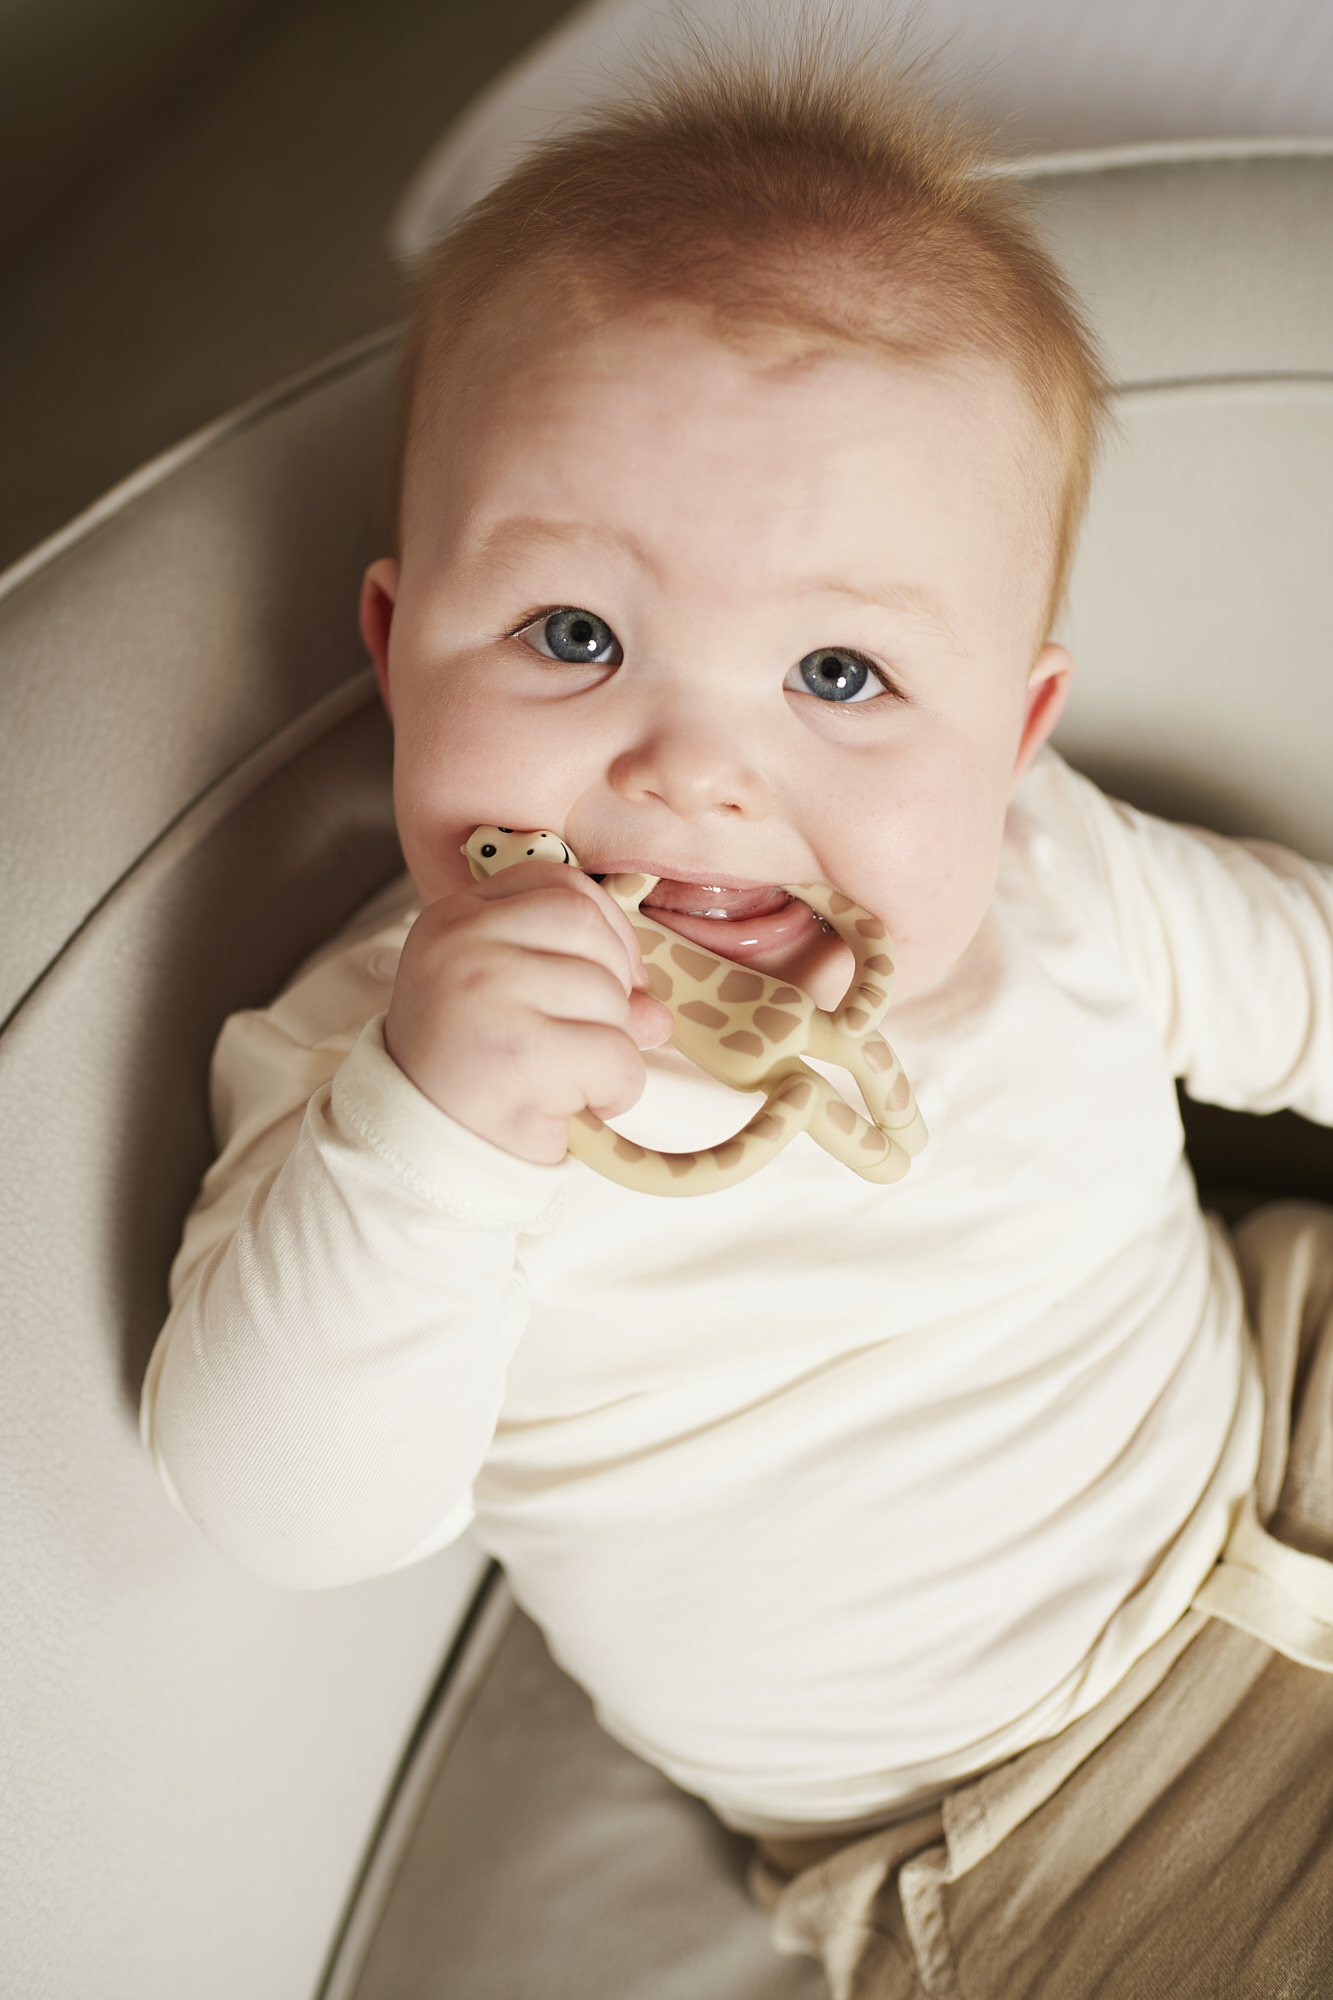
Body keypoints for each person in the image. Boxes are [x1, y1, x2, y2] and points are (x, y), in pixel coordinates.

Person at [140, 45, 1333, 1998]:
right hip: (1027, 1811)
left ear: (1008, 732)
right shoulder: (376, 1066)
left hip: (1281, 1389)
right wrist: (430, 1139)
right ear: (396, 650)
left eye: (839, 673)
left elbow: (1302, 992)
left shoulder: (1045, 864)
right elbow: (293, 1508)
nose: (693, 772)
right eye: (575, 637)